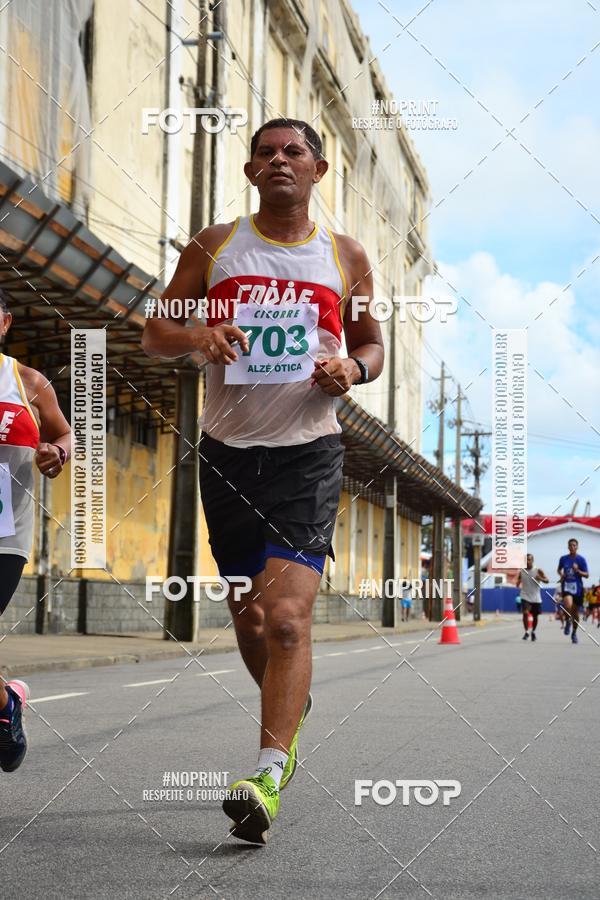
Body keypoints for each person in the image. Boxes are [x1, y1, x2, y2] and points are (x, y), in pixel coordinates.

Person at [142, 118, 384, 843]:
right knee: (251, 619)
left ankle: (269, 773)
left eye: (295, 152)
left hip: (308, 452)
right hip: (226, 450)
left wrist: (353, 368)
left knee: (286, 620)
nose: (280, 161)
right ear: (251, 172)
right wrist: (199, 336)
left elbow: (372, 343)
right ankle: (292, 702)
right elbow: (155, 332)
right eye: (266, 152)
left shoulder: (345, 256)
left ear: (319, 170)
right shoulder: (214, 246)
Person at [0, 290, 71, 771]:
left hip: (5, 534)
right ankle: (6, 702)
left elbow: (62, 434)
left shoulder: (26, 382)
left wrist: (56, 453)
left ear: (4, 324)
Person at [557, 538, 589, 644]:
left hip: (578, 589)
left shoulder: (581, 559)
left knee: (575, 614)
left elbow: (587, 575)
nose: (572, 547)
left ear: (577, 547)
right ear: (568, 547)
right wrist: (562, 575)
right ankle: (567, 622)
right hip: (566, 586)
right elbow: (559, 569)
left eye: (574, 545)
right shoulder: (563, 559)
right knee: (567, 605)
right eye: (570, 545)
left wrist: (578, 571)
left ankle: (574, 633)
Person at [516, 553, 548, 641]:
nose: (527, 561)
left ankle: (533, 631)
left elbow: (547, 580)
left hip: (536, 596)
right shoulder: (522, 571)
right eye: (526, 560)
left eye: (529, 559)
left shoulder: (538, 570)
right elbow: (518, 581)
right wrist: (518, 583)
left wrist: (540, 578)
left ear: (532, 561)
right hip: (525, 595)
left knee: (535, 616)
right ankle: (526, 632)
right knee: (525, 613)